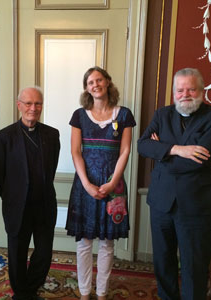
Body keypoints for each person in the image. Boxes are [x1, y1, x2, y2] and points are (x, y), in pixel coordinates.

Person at [137, 68, 211, 300]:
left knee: (194, 267)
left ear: (201, 91)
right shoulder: (162, 114)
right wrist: (178, 149)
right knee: (163, 262)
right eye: (180, 90)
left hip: (197, 205)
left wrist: (161, 153)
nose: (185, 94)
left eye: (191, 89)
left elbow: (198, 162)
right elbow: (142, 146)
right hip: (161, 202)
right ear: (173, 93)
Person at [66, 66, 136, 299]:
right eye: (90, 82)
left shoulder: (124, 115)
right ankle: (85, 292)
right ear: (87, 88)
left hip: (113, 185)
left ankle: (103, 292)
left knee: (107, 243)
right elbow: (76, 152)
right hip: (85, 184)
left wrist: (113, 181)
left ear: (107, 82)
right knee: (84, 242)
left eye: (98, 80)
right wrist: (86, 184)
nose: (95, 84)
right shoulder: (79, 115)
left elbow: (125, 151)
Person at [0, 87, 60, 300]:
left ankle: (30, 288)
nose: (33, 108)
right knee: (17, 254)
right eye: (28, 103)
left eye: (37, 103)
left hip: (45, 204)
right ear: (19, 105)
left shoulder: (52, 134)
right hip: (17, 205)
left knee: (44, 253)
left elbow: (51, 168)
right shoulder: (3, 137)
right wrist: (12, 195)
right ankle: (22, 294)